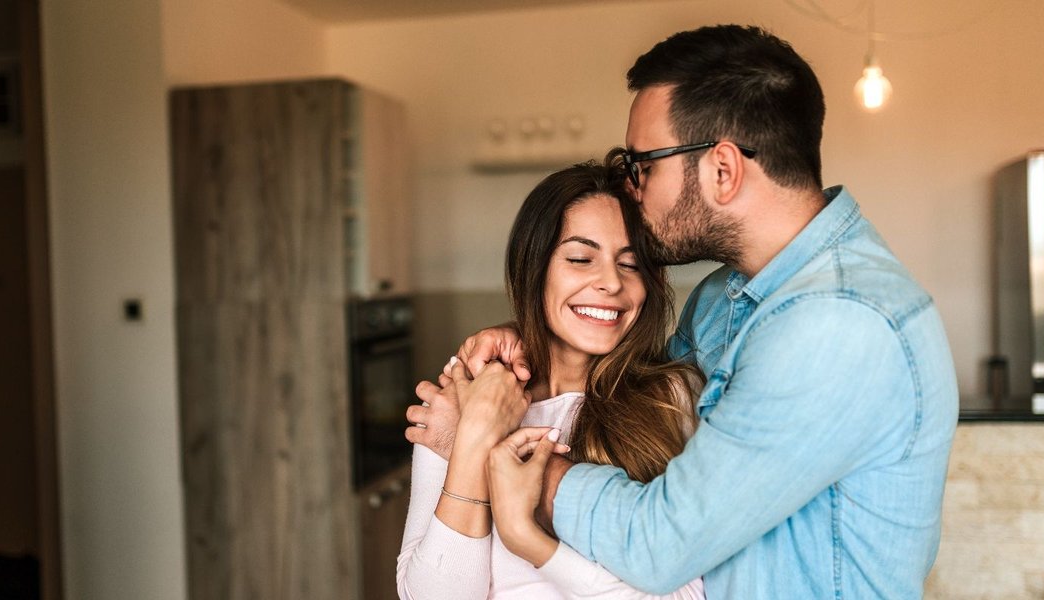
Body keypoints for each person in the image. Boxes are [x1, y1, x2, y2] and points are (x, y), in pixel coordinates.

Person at [409, 24, 958, 599]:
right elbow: (626, 385)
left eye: (644, 164)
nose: (634, 188)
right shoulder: (725, 298)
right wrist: (525, 334)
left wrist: (487, 448)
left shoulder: (839, 322)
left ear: (723, 170)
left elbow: (658, 542)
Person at [397, 159, 706, 599]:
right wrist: (469, 445)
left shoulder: (672, 399)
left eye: (632, 264)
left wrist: (533, 540)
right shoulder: (467, 392)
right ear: (534, 269)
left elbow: (688, 596)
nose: (610, 283)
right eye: (581, 258)